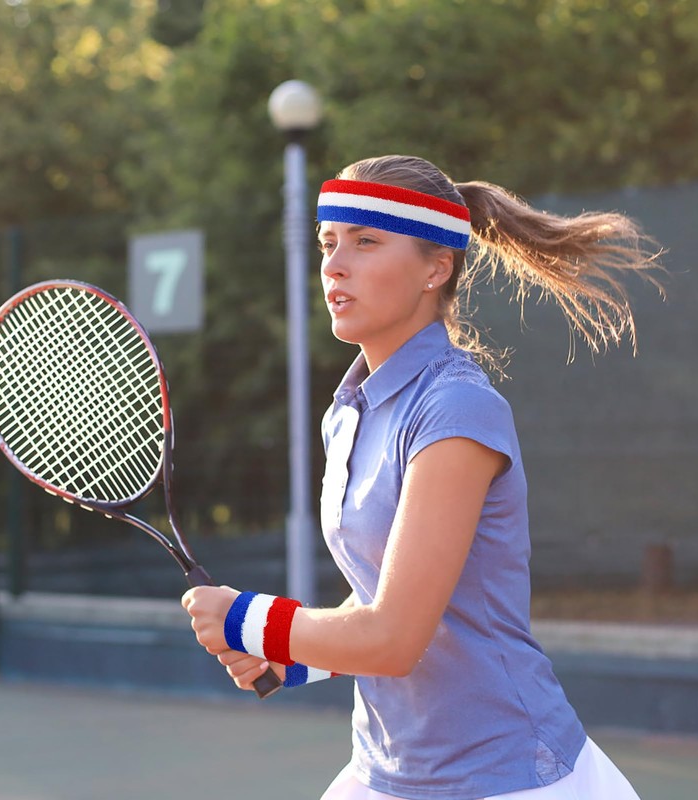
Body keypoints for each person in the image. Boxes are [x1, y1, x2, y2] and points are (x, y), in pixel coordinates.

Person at [182, 154, 662, 800]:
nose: (334, 265)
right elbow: (379, 594)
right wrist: (297, 657)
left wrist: (249, 620)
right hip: (385, 768)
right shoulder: (348, 411)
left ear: (436, 269)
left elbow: (395, 636)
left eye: (365, 242)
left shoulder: (457, 408)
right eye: (328, 243)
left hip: (511, 775)